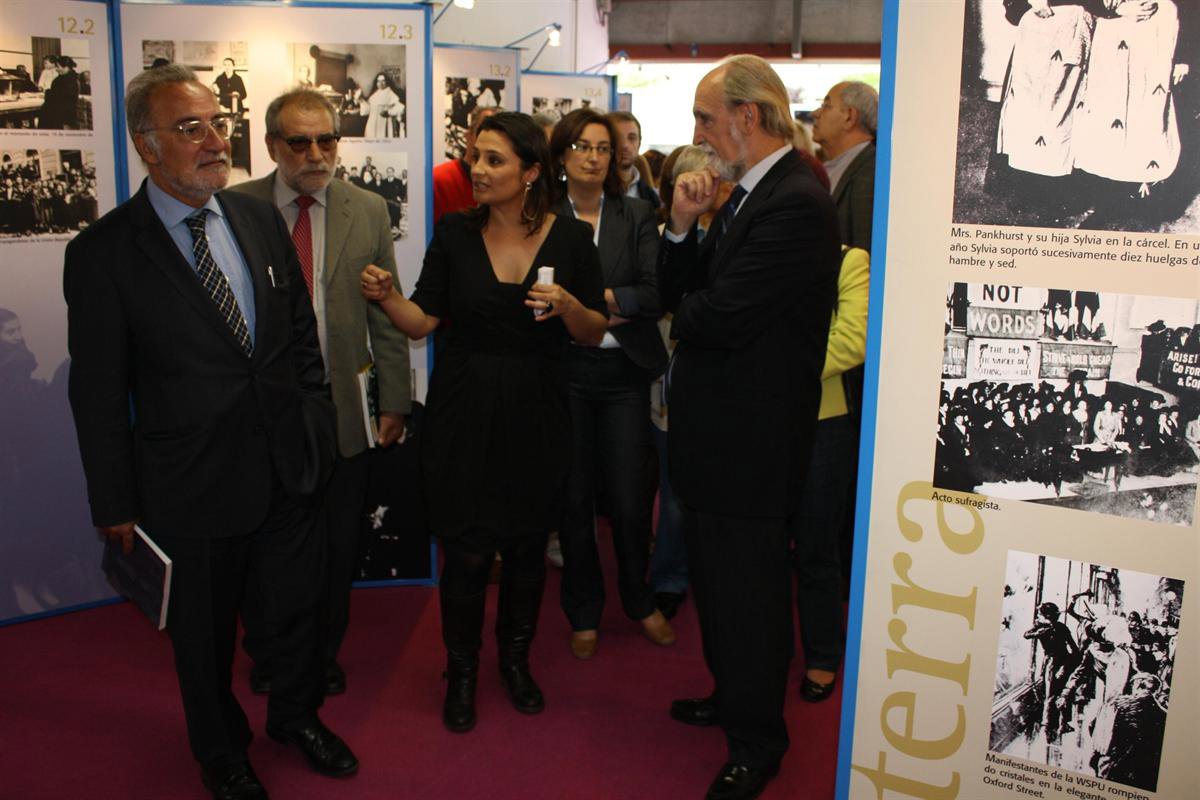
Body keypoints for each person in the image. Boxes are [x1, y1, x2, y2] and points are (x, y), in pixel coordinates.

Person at [63, 64, 357, 800]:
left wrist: (315, 423)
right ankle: (221, 751)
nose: (214, 141)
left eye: (218, 124)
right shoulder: (103, 253)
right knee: (204, 637)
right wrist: (114, 502)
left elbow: (298, 338)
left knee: (296, 614)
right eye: (189, 128)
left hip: (288, 466)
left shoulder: (257, 218)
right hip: (189, 484)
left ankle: (296, 717)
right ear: (146, 145)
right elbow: (98, 392)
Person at [360, 112, 607, 734]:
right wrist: (387, 297)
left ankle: (516, 663)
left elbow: (593, 332)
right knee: (468, 555)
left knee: (526, 550)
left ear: (530, 172)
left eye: (494, 160)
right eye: (475, 156)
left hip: (537, 414)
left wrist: (570, 306)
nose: (477, 169)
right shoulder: (455, 232)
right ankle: (463, 670)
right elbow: (422, 321)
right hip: (462, 413)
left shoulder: (572, 240)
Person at [659, 55, 839, 800]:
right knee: (720, 588)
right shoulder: (748, 196)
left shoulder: (794, 201)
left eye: (705, 119)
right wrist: (680, 225)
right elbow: (683, 289)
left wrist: (685, 313)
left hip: (751, 445)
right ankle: (734, 696)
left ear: (748, 116)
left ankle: (757, 743)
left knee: (750, 599)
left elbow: (719, 315)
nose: (698, 134)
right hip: (719, 438)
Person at [229, 87, 411, 698]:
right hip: (263, 414)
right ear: (272, 145)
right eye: (300, 142)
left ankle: (323, 652)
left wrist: (394, 400)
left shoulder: (369, 209)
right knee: (265, 544)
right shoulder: (236, 208)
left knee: (337, 544)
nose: (315, 154)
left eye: (326, 140)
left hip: (343, 410)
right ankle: (269, 650)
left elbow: (386, 312)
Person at [548, 108, 673, 660]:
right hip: (563, 373)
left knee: (628, 500)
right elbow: (532, 295)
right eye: (582, 147)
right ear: (562, 155)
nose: (594, 157)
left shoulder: (637, 213)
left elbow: (652, 294)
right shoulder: (541, 215)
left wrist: (583, 301)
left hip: (623, 372)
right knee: (573, 500)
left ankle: (638, 598)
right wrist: (612, 301)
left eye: (603, 148)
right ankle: (583, 609)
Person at [788, 242, 869, 704]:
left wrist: (773, 369)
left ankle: (823, 654)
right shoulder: (758, 252)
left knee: (817, 548)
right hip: (755, 421)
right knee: (760, 550)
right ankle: (766, 650)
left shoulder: (846, 260)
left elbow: (851, 341)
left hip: (823, 424)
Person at [811, 80, 877, 250]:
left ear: (849, 117)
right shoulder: (832, 167)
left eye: (826, 106)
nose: (815, 113)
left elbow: (863, 253)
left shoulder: (871, 173)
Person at [1089, 672, 1168, 791]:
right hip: (1147, 775)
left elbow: (1094, 729)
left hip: (1115, 770)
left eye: (1132, 685)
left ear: (1138, 685)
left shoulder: (1117, 704)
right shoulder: (1163, 714)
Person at [1022, 602, 1080, 743]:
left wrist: (1065, 667)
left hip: (1059, 662)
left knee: (1057, 694)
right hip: (1052, 663)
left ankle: (1055, 724)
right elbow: (1026, 635)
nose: (1038, 617)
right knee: (1052, 695)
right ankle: (1051, 726)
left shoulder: (1060, 628)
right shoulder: (1042, 628)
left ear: (1047, 615)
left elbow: (1075, 650)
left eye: (1041, 614)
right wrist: (1038, 631)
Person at [432, 105, 501, 222]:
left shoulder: (508, 184)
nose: (491, 140)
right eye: (483, 131)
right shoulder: (438, 180)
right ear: (468, 136)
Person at [607, 110, 661, 208]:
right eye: (618, 138)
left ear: (639, 144)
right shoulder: (594, 189)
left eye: (632, 138)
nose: (625, 145)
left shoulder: (650, 196)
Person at [39, 56, 80, 130]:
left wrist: (48, 93)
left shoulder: (71, 80)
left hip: (63, 113)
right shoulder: (61, 78)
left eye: (58, 67)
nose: (56, 69)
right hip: (57, 109)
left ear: (66, 67)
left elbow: (61, 97)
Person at [365, 71, 404, 138]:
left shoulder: (390, 93)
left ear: (387, 82)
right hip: (373, 121)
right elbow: (368, 109)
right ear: (376, 83)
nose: (381, 83)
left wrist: (389, 112)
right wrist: (360, 100)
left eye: (383, 81)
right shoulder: (374, 94)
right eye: (378, 81)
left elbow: (399, 107)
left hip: (385, 120)